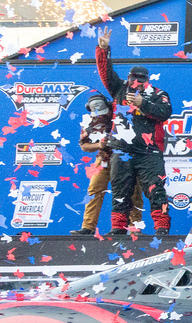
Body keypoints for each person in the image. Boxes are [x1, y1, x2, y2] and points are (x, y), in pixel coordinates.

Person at [94, 27, 172, 236]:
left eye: (140, 79)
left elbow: (165, 113)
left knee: (156, 189)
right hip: (121, 150)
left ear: (147, 80)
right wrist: (103, 49)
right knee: (120, 190)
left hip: (149, 152)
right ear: (128, 78)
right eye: (132, 78)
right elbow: (106, 72)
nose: (135, 83)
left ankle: (161, 228)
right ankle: (117, 227)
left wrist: (143, 104)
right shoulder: (119, 88)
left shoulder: (158, 94)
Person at [71, 93, 144, 236]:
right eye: (98, 114)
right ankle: (88, 227)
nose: (101, 116)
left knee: (134, 192)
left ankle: (134, 229)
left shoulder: (121, 114)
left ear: (110, 106)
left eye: (104, 112)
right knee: (94, 190)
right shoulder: (89, 121)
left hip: (126, 158)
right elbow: (84, 145)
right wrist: (99, 144)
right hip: (103, 159)